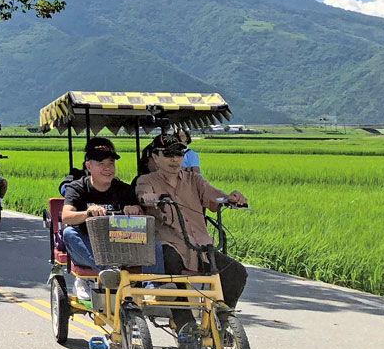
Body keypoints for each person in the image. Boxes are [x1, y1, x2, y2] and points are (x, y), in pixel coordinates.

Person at [137, 132, 249, 334]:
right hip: (170, 245)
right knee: (171, 267)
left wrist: (232, 198)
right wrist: (153, 199)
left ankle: (223, 320)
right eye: (168, 154)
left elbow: (214, 196)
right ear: (156, 157)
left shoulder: (194, 180)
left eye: (179, 154)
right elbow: (143, 195)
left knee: (237, 273)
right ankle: (185, 324)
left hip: (199, 246)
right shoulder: (147, 180)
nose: (174, 160)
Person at [59, 137, 142, 300]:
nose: (107, 169)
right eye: (101, 164)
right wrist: (87, 213)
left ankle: (154, 285)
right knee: (69, 233)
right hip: (87, 245)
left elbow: (140, 211)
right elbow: (66, 216)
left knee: (156, 243)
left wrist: (135, 209)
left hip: (117, 243)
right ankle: (106, 273)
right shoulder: (77, 187)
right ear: (88, 166)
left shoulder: (123, 189)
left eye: (110, 163)